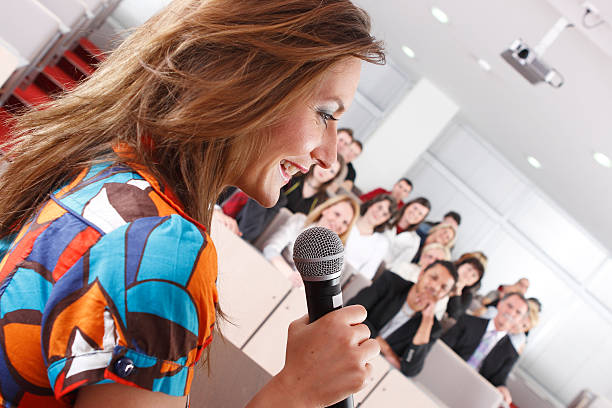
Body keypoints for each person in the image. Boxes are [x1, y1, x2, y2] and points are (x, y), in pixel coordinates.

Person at [0, 1, 385, 407]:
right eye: (325, 113)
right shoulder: (161, 245)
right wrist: (295, 392)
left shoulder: (102, 169)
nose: (329, 155)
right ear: (247, 80)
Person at [347, 261, 458, 377]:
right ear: (421, 274)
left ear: (445, 296)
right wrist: (385, 349)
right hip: (351, 344)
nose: (435, 287)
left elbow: (410, 369)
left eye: (443, 288)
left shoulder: (432, 327)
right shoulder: (390, 282)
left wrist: (427, 320)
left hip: (374, 370)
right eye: (433, 278)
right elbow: (353, 312)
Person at [442, 292, 529, 405]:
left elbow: (498, 380)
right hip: (446, 374)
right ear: (500, 304)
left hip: (470, 395)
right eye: (510, 306)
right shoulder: (468, 322)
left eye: (518, 312)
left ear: (521, 320)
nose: (511, 313)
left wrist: (502, 388)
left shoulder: (511, 354)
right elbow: (443, 346)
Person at [235, 155, 345, 242]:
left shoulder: (322, 202)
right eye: (324, 166)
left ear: (333, 177)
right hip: (260, 219)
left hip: (285, 235)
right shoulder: (292, 176)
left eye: (332, 171)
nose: (325, 172)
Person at [262, 195, 360, 286]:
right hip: (271, 272)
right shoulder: (299, 221)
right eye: (337, 214)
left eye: (345, 223)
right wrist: (290, 275)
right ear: (325, 210)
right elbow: (270, 248)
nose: (338, 223)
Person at [344, 195, 396, 280]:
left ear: (385, 220)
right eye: (379, 207)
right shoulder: (348, 217)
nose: (379, 214)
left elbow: (367, 274)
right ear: (372, 203)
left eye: (385, 214)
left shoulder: (381, 243)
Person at [382, 197, 431, 272]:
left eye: (420, 214)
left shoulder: (415, 241)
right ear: (408, 205)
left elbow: (399, 265)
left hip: (381, 271)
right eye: (415, 208)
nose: (415, 213)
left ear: (422, 219)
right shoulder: (387, 218)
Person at [445, 253, 486, 320]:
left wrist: (458, 290)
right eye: (469, 269)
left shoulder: (467, 295)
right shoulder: (444, 271)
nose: (468, 274)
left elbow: (455, 315)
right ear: (460, 265)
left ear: (474, 283)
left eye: (474, 275)